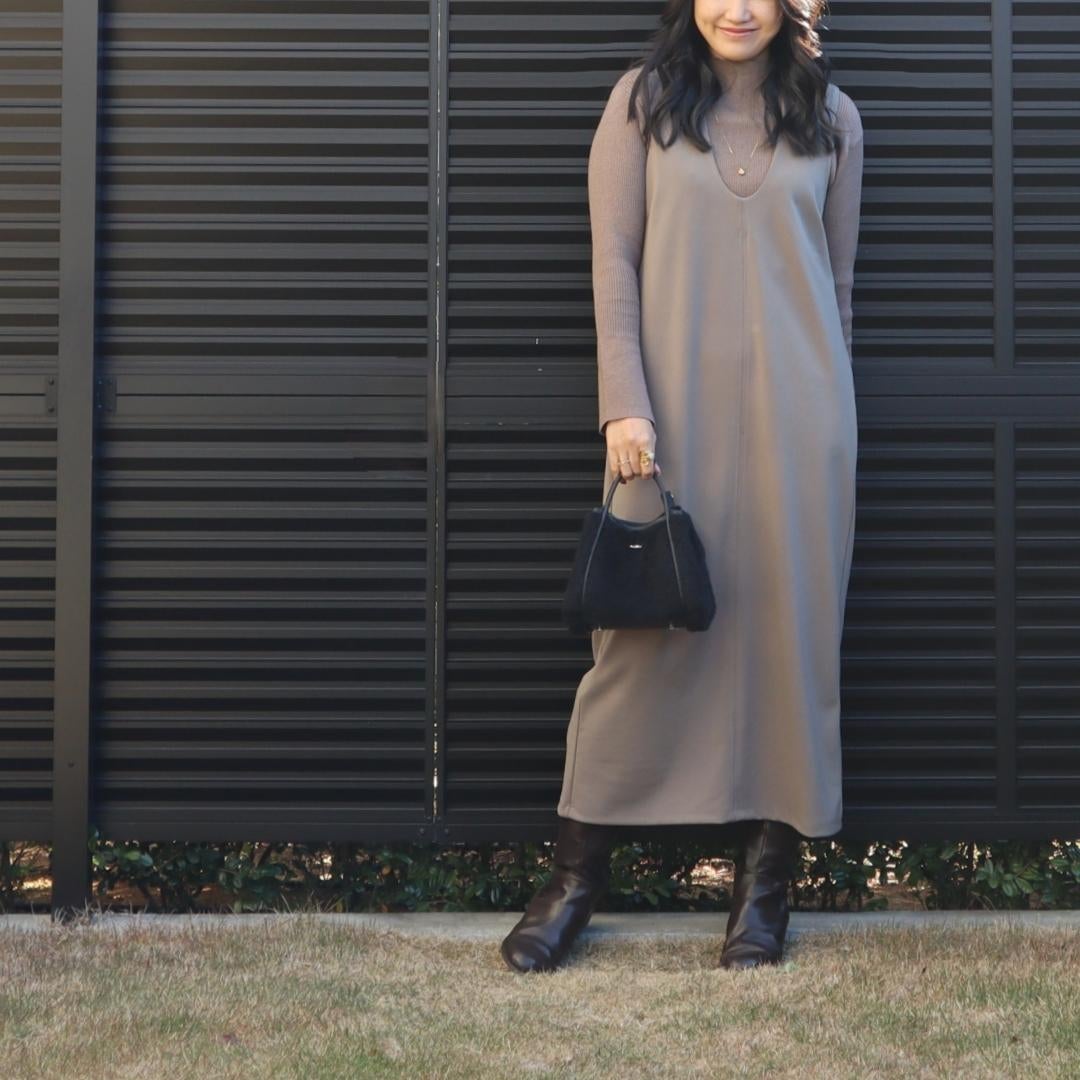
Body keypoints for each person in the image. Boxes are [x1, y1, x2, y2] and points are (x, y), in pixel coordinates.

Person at [501, 0, 864, 973]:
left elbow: (838, 286)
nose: (737, 8)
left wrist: (834, 417)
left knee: (789, 651)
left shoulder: (832, 116)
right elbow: (613, 265)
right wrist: (624, 406)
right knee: (637, 647)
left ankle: (764, 895)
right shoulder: (643, 103)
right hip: (663, 429)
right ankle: (573, 883)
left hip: (803, 426)